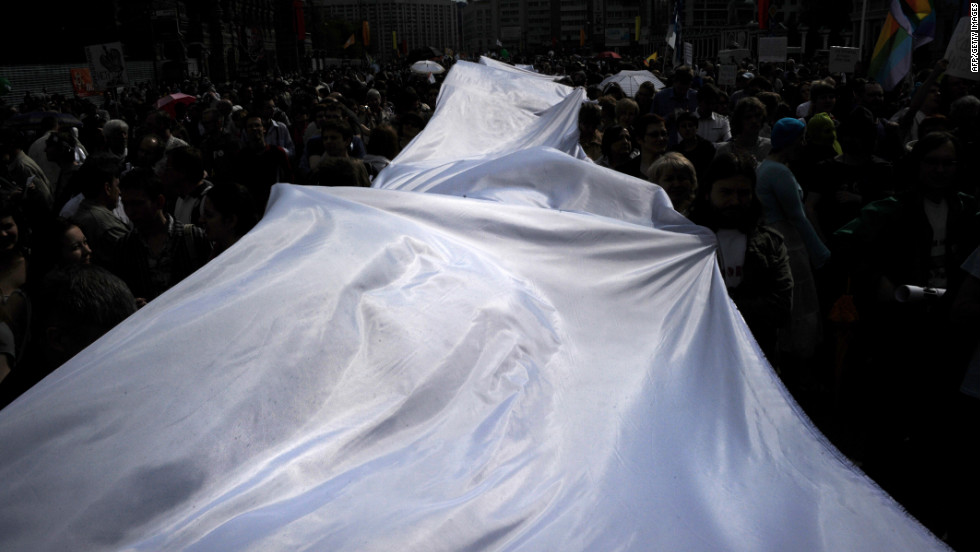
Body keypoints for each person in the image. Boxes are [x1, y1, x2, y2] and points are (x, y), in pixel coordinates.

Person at [689, 153, 793, 359]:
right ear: (708, 193)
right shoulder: (685, 240)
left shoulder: (770, 243)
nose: (735, 201)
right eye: (726, 192)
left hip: (755, 359)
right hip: (698, 356)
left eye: (743, 193)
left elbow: (781, 308)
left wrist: (719, 305)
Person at [756, 117, 829, 383]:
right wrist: (821, 253)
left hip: (779, 241)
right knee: (799, 306)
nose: (804, 144)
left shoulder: (768, 167)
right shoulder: (778, 172)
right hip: (789, 244)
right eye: (801, 139)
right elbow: (798, 217)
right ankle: (801, 372)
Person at [116, 168, 212, 302]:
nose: (130, 212)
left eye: (137, 204)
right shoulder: (125, 247)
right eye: (125, 205)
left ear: (159, 201)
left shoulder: (192, 238)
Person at [68, 153, 129, 268]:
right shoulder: (106, 226)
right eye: (117, 186)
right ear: (107, 188)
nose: (119, 192)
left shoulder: (85, 211)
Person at [201, 182, 258, 258]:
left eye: (209, 215)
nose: (201, 220)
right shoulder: (217, 252)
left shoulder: (249, 261)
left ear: (231, 221)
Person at [715, 97, 771, 166]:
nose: (754, 121)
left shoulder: (769, 147)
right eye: (748, 117)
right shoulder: (725, 151)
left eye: (757, 116)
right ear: (739, 121)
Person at [669, 110, 716, 184]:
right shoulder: (675, 151)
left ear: (696, 128)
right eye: (683, 126)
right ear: (678, 130)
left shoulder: (707, 147)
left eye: (690, 125)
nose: (687, 129)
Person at [648, 152, 697, 217]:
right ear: (656, 183)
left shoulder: (700, 213)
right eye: (669, 179)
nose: (677, 184)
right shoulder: (648, 213)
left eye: (682, 178)